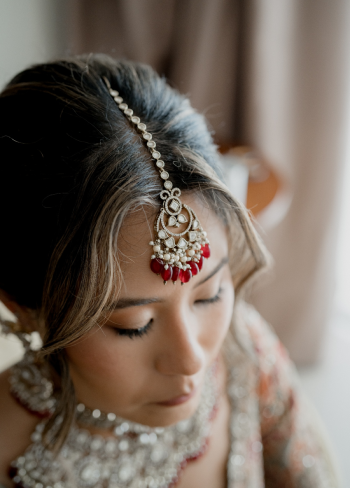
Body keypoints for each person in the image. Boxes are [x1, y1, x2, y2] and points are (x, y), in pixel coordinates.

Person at [0, 55, 338, 488]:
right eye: (133, 325)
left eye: (210, 294)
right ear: (23, 307)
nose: (194, 358)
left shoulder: (243, 348)